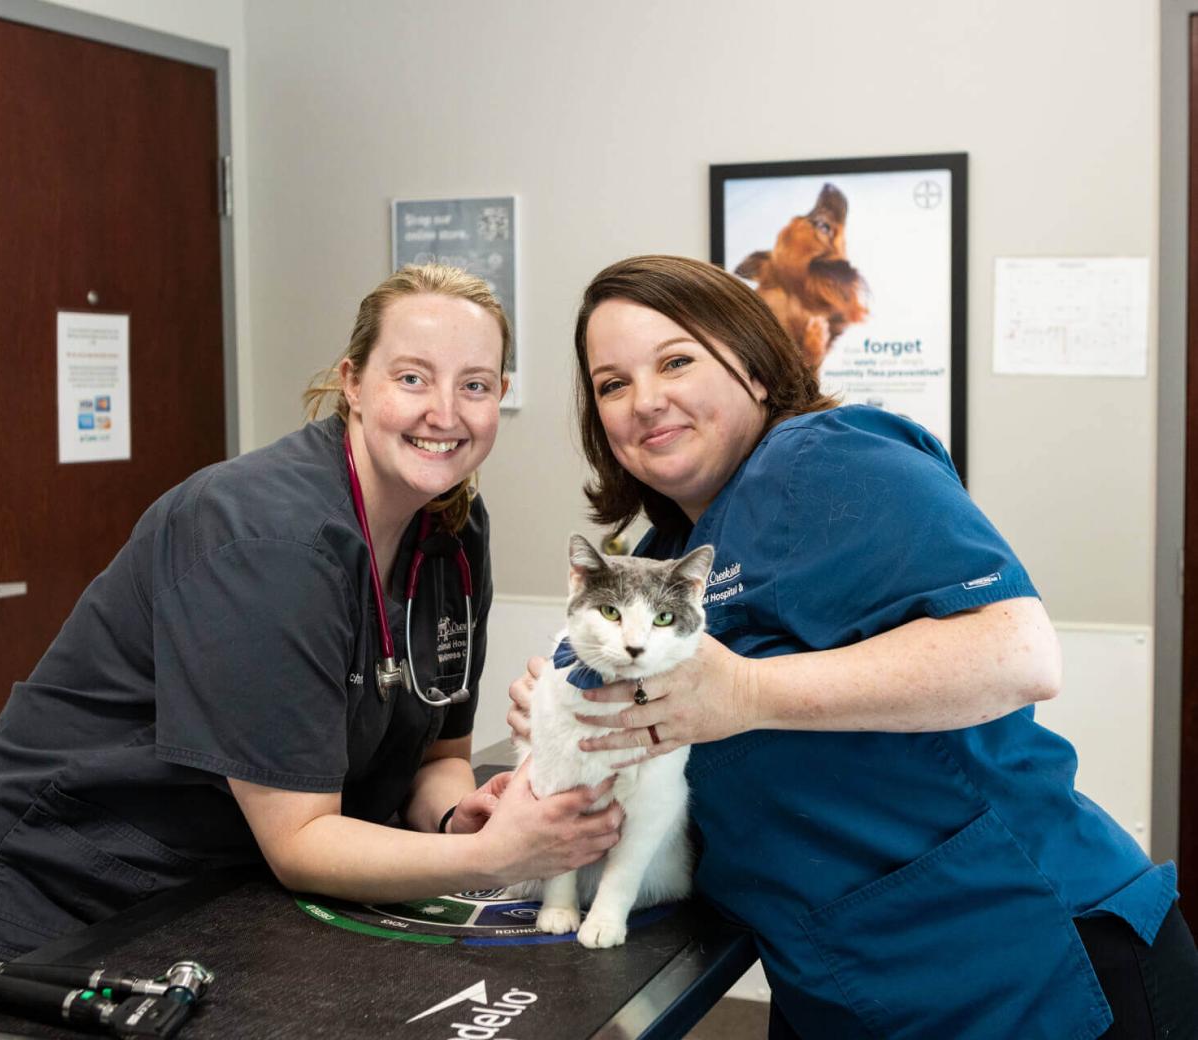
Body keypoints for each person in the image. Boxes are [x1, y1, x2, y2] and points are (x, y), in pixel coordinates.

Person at [509, 255, 1198, 1039]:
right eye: (612, 384)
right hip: (841, 978)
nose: (646, 401)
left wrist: (748, 695)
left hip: (1023, 957)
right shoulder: (666, 551)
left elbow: (1019, 653)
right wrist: (562, 734)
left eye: (675, 361)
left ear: (757, 371)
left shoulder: (826, 459)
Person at [0, 263, 622, 980]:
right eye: (413, 377)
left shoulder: (454, 528)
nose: (445, 412)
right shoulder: (266, 538)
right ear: (353, 383)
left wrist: (463, 820)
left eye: (475, 384)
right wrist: (495, 859)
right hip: (82, 865)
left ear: (500, 398)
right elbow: (299, 840)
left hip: (245, 872)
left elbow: (439, 760)